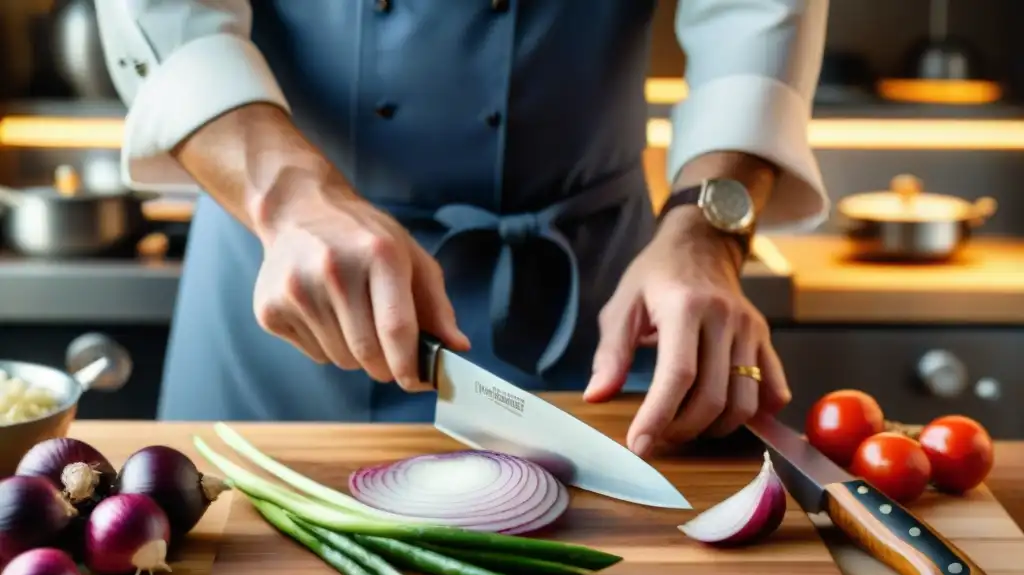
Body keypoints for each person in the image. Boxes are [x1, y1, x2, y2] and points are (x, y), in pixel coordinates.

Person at [95, 0, 829, 458]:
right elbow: (167, 18)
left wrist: (706, 231)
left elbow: (754, 15)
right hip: (284, 295)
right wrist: (289, 197)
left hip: (609, 307)